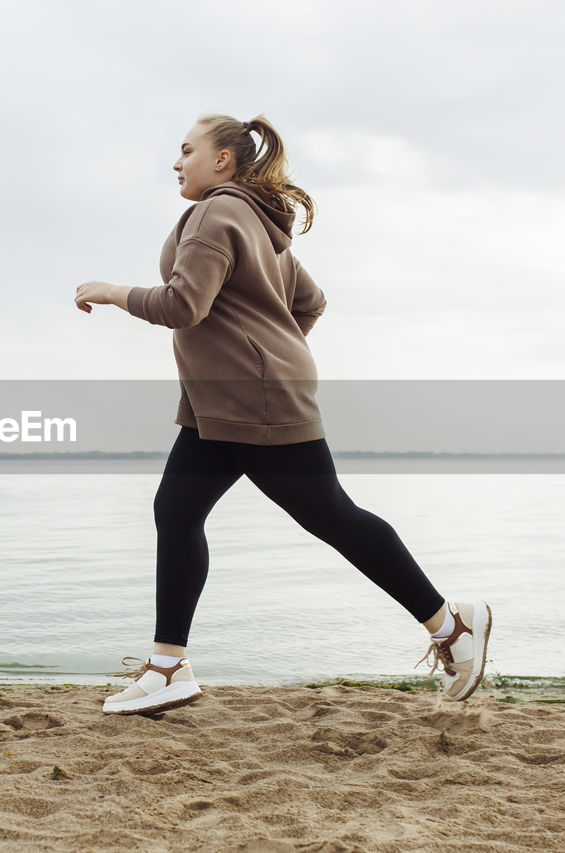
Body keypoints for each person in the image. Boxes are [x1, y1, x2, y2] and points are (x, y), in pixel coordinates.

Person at [74, 112, 492, 716]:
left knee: (331, 515)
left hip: (250, 397)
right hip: (225, 399)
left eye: (186, 150)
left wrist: (111, 291)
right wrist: (269, 349)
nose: (176, 162)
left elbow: (184, 305)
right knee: (178, 509)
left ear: (222, 159)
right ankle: (168, 666)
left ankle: (452, 626)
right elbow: (309, 303)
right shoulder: (258, 224)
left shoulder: (216, 212)